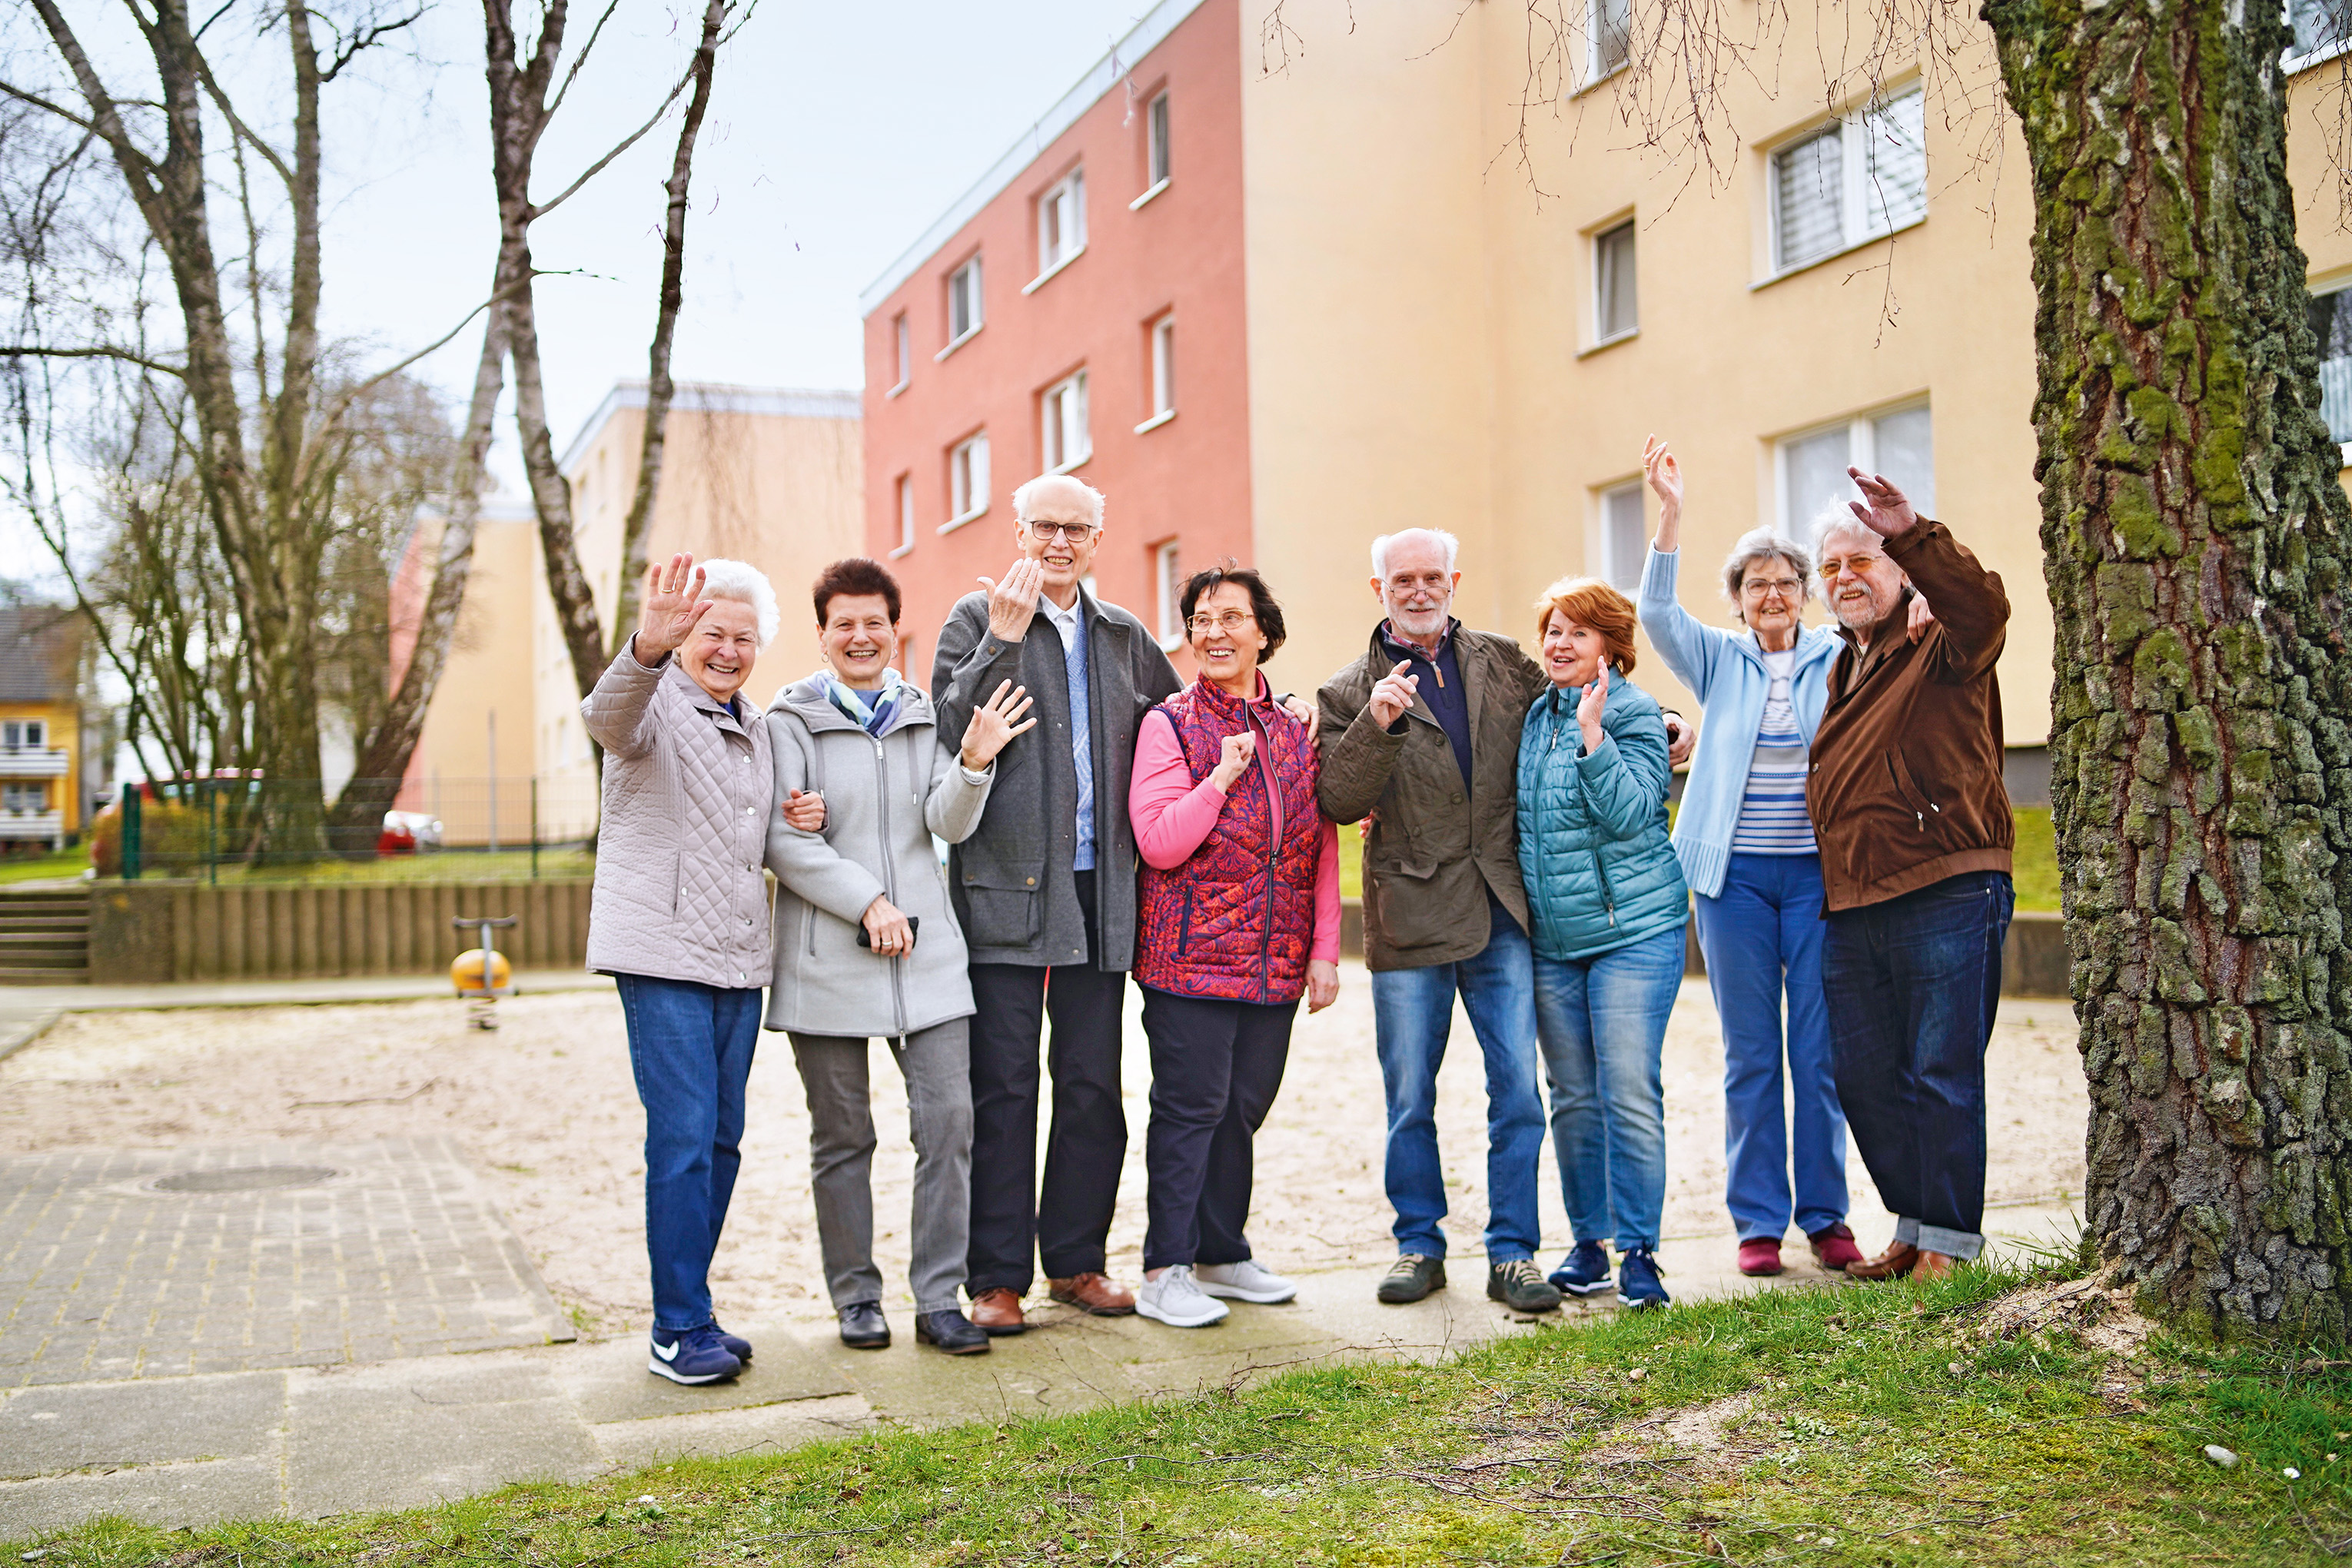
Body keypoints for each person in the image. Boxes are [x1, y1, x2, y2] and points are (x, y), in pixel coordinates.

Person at [933, 476, 1314, 1332]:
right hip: (1006, 893)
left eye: (1077, 528)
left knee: (1093, 1086)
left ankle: (1075, 1261)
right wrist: (998, 641)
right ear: (1019, 531)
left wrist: (1280, 713)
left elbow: (1182, 720)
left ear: (1098, 538)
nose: (1060, 542)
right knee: (1003, 1089)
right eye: (1045, 527)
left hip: (1101, 897)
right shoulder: (976, 616)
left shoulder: (1122, 635)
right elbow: (948, 723)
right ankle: (996, 1276)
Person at [762, 558, 1036, 1356]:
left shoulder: (922, 714)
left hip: (928, 959)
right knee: (843, 1138)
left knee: (949, 1125)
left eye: (873, 623)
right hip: (827, 961)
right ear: (822, 636)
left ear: (894, 630)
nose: (859, 636)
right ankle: (856, 1298)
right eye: (843, 623)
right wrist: (868, 902)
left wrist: (975, 764)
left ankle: (938, 1299)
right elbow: (784, 839)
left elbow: (943, 824)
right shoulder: (786, 723)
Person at [1634, 436, 1868, 1280]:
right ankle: (1759, 1222)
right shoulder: (1716, 658)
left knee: (1820, 1050)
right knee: (1750, 1055)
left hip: (1818, 878)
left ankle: (1827, 1215)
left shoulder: (1841, 658)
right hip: (1732, 885)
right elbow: (1655, 617)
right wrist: (1671, 513)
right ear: (1736, 602)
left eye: (1786, 582)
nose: (1772, 594)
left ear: (1808, 596)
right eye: (1756, 584)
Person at [1317, 527, 1565, 1314]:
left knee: (1519, 1092)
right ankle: (1418, 1244)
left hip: (1501, 907)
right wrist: (1377, 727)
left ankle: (1513, 1252)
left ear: (1454, 581)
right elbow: (1337, 800)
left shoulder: (1504, 660)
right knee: (1409, 1097)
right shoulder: (1348, 689)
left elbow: (1575, 690)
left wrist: (1659, 721)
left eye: (1432, 577)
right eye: (1402, 581)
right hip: (1412, 914)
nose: (1418, 591)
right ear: (1379, 590)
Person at [1808, 467, 2015, 1282]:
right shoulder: (1845, 665)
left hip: (1947, 885)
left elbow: (1983, 606)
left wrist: (1914, 533)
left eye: (1863, 559)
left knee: (1942, 1074)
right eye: (1831, 567)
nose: (1845, 577)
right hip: (1858, 899)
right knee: (1862, 1077)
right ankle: (1917, 1224)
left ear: (1901, 572)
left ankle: (1952, 1249)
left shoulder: (1941, 638)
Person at [581, 553, 782, 1386]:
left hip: (738, 960)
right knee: (684, 1136)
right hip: (663, 956)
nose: (727, 650)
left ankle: (693, 1311)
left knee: (723, 1140)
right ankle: (673, 1329)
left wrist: (804, 812)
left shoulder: (757, 728)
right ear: (683, 635)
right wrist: (646, 647)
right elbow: (606, 717)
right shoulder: (651, 702)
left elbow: (753, 837)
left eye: (743, 637)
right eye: (711, 633)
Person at [1128, 565, 1342, 1328]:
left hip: (1274, 965)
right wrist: (1217, 779)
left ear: (1264, 633)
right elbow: (1158, 843)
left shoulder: (1294, 730)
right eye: (1200, 620)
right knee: (1191, 1111)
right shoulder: (1170, 724)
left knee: (1242, 1109)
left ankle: (1222, 1253)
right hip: (1187, 963)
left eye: (1229, 618)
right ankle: (1166, 1268)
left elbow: (1317, 849)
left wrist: (1324, 951)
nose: (1212, 632)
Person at [1515, 576, 1690, 1310]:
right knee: (1575, 1099)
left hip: (1634, 934)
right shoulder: (1534, 717)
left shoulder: (1636, 713)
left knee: (1627, 1092)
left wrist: (1594, 736)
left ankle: (1640, 1250)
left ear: (1611, 649)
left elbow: (1629, 814)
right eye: (1553, 629)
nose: (1559, 643)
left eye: (1577, 632)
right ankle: (1589, 1244)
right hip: (1557, 942)